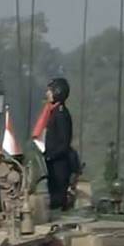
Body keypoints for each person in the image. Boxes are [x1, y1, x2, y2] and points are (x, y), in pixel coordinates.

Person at [42, 78, 74, 210]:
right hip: (52, 163)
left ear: (58, 92)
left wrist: (50, 156)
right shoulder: (54, 112)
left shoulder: (61, 114)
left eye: (50, 91)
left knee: (58, 198)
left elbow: (64, 142)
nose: (47, 94)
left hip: (59, 163)